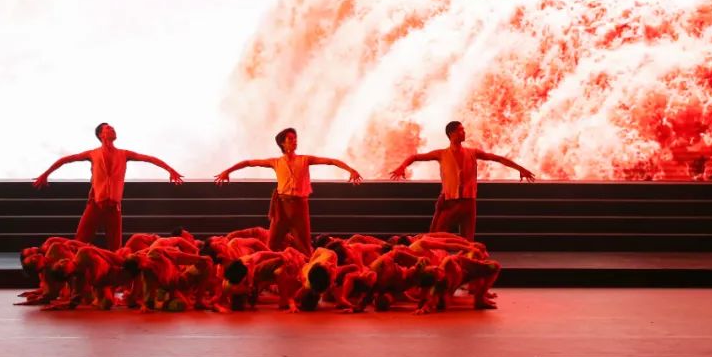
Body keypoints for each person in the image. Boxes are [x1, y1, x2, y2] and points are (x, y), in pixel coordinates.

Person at [33, 122, 184, 250]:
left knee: (115, 248)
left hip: (113, 207)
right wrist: (45, 174)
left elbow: (149, 158)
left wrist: (170, 170)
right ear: (101, 134)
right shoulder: (93, 154)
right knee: (80, 242)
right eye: (108, 128)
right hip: (96, 204)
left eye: (113, 128)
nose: (112, 129)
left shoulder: (124, 154)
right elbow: (66, 159)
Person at [214, 127, 362, 255]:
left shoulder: (305, 160)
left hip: (299, 206)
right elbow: (248, 163)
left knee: (304, 246)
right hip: (282, 207)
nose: (294, 141)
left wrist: (351, 170)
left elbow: (331, 161)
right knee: (272, 244)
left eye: (295, 138)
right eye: (291, 138)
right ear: (283, 143)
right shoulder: (276, 162)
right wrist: (227, 171)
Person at [389, 120, 535, 239]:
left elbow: (497, 158)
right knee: (436, 236)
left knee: (468, 240)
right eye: (460, 130)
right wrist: (402, 167)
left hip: (468, 202)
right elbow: (415, 157)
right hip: (450, 201)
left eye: (463, 130)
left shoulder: (472, 153)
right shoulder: (441, 154)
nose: (464, 132)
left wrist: (520, 168)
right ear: (451, 134)